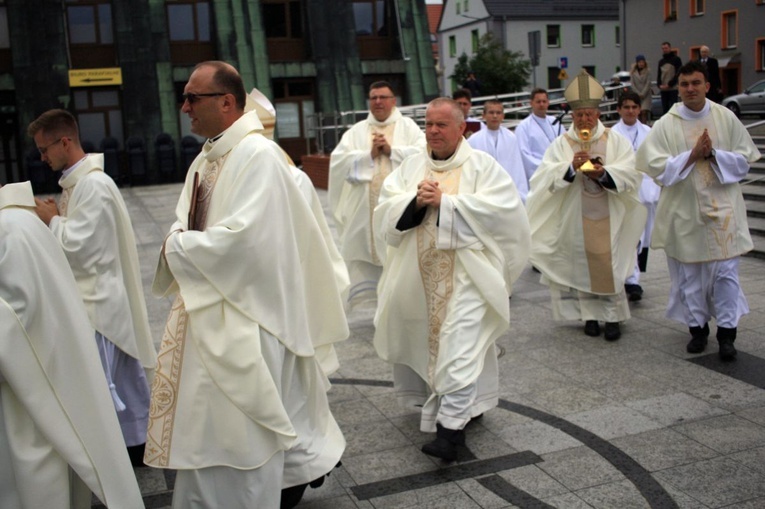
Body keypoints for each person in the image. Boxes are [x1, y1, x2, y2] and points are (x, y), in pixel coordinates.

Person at [146, 61, 346, 508]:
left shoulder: (258, 156)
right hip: (210, 308)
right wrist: (181, 242)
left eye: (192, 98)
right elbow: (184, 223)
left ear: (226, 101)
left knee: (242, 432)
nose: (184, 108)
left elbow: (246, 243)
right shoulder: (207, 157)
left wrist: (178, 248)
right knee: (207, 428)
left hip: (248, 317)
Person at [373, 97, 530, 462]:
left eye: (441, 125)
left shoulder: (483, 166)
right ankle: (456, 423)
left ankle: (449, 430)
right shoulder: (412, 164)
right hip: (419, 276)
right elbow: (386, 207)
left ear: (462, 128)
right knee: (437, 345)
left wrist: (448, 202)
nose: (432, 131)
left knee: (459, 347)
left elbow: (506, 215)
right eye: (428, 124)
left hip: (469, 276)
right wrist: (414, 201)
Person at [0, 181, 144, 509]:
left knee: (39, 470)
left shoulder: (9, 230)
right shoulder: (19, 223)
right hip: (47, 371)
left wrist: (58, 221)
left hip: (31, 390)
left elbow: (18, 320)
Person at [28, 109, 155, 466]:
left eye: (44, 148)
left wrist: (52, 219)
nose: (42, 157)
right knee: (124, 382)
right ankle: (136, 444)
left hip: (99, 303)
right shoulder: (77, 183)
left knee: (100, 384)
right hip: (97, 298)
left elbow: (86, 250)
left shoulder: (93, 185)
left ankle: (114, 450)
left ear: (64, 141)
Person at [636, 61, 761, 361]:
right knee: (690, 276)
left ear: (707, 86)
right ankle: (697, 329)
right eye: (684, 84)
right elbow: (654, 167)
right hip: (685, 213)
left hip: (724, 214)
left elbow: (744, 161)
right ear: (678, 88)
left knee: (726, 277)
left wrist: (715, 154)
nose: (690, 89)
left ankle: (728, 334)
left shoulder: (725, 117)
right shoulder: (666, 123)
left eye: (695, 83)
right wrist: (691, 156)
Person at [526, 71, 647, 342]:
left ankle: (613, 318)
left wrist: (602, 173)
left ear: (598, 114)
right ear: (571, 115)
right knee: (580, 263)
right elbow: (543, 176)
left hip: (609, 213)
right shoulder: (562, 143)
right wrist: (570, 167)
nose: (584, 119)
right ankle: (590, 317)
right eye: (579, 115)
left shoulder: (615, 141)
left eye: (589, 114)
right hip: (574, 214)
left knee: (608, 264)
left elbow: (630, 171)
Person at [329, 81, 425, 310]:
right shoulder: (357, 131)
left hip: (398, 211)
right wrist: (368, 155)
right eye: (374, 97)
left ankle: (399, 307)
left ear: (394, 101)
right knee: (366, 260)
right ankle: (376, 306)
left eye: (383, 97)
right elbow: (338, 163)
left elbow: (423, 154)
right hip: (364, 215)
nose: (378, 102)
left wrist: (393, 151)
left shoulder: (409, 127)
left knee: (398, 257)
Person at [611, 91, 660, 302]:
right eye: (626, 107)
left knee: (642, 236)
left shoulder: (648, 132)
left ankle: (634, 278)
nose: (631, 111)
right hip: (623, 191)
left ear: (640, 109)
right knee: (627, 236)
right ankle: (630, 279)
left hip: (645, 190)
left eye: (634, 107)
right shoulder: (612, 134)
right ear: (619, 109)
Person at [467, 99, 529, 203]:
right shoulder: (474, 140)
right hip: (484, 189)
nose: (495, 116)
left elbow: (516, 167)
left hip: (507, 189)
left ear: (503, 116)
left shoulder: (511, 138)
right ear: (484, 115)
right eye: (491, 112)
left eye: (498, 113)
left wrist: (520, 193)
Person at [515, 88, 564, 186]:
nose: (541, 104)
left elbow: (564, 143)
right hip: (539, 173)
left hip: (559, 171)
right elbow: (524, 154)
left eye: (544, 101)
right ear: (531, 103)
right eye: (538, 102)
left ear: (548, 103)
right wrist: (547, 167)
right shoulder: (524, 126)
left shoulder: (555, 122)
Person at [658, 41, 682, 114]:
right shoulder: (661, 61)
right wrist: (659, 85)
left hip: (673, 88)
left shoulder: (676, 60)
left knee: (673, 108)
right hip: (663, 89)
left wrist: (670, 84)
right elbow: (659, 74)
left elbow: (679, 73)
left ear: (670, 48)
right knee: (665, 108)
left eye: (666, 48)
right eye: (663, 48)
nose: (664, 50)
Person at [630, 54, 653, 124]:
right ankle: (638, 126)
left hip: (646, 95)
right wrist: (637, 93)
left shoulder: (648, 71)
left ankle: (644, 126)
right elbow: (632, 84)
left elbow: (648, 83)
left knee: (644, 111)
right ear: (637, 63)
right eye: (640, 62)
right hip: (637, 95)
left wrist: (643, 93)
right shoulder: (633, 72)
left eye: (642, 62)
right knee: (638, 112)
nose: (641, 64)